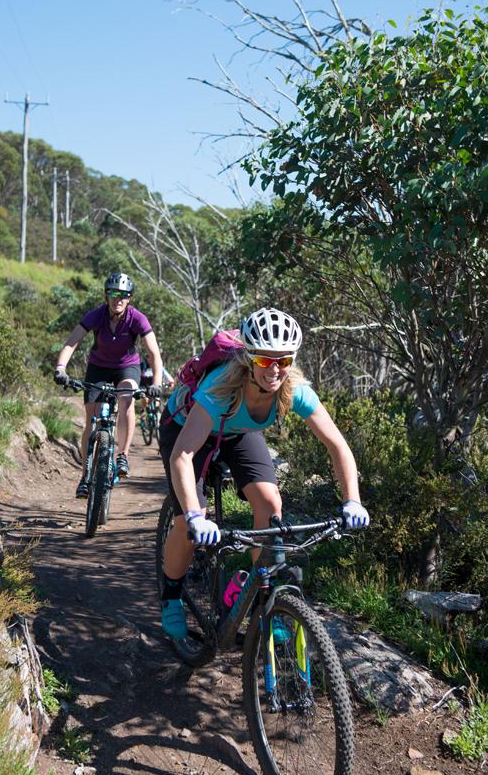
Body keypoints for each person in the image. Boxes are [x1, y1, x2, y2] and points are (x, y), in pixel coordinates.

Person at [158, 306, 370, 640]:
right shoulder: (221, 387)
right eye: (263, 360)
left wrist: (352, 501)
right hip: (188, 428)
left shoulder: (294, 390)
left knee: (271, 504)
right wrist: (198, 516)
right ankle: (170, 595)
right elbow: (182, 456)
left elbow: (338, 447)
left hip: (237, 431)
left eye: (283, 361)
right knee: (186, 520)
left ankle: (264, 596)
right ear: (247, 358)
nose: (274, 370)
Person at [54, 272, 163, 497]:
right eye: (114, 294)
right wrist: (60, 369)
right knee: (90, 418)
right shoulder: (97, 315)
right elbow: (71, 343)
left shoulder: (137, 318)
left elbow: (153, 353)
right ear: (106, 295)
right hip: (98, 367)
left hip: (127, 367)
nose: (118, 299)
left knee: (125, 399)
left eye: (124, 295)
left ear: (130, 298)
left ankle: (122, 455)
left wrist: (156, 383)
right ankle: (85, 475)